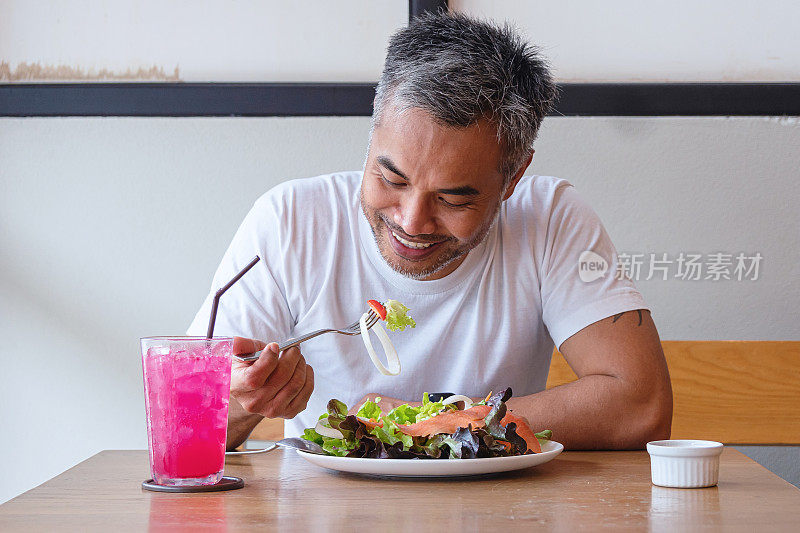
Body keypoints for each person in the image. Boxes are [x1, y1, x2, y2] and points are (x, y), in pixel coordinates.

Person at [188, 12, 672, 451]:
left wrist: (445, 423)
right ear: (372, 133)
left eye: (453, 198)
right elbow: (186, 425)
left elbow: (642, 405)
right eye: (391, 179)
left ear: (513, 178)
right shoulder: (291, 221)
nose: (412, 221)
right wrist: (243, 399)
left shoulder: (549, 219)